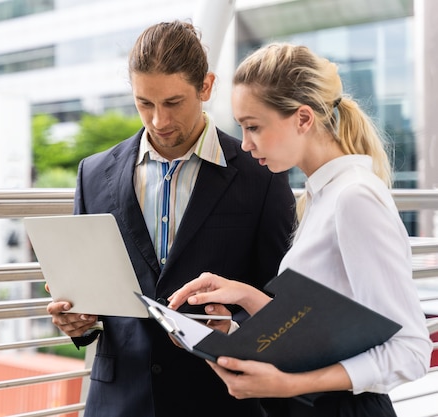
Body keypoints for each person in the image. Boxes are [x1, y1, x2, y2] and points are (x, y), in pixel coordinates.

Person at [168, 42, 433, 417]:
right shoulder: (321, 194)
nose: (245, 144)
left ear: (303, 119)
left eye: (253, 127)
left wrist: (291, 384)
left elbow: (410, 350)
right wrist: (244, 297)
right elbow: (326, 334)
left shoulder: (353, 198)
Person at [45, 21, 296, 417]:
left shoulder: (260, 174)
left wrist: (232, 329)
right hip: (118, 402)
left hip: (217, 399)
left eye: (173, 102)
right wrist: (78, 322)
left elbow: (279, 296)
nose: (159, 121)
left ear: (206, 87)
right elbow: (89, 300)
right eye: (145, 103)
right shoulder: (92, 174)